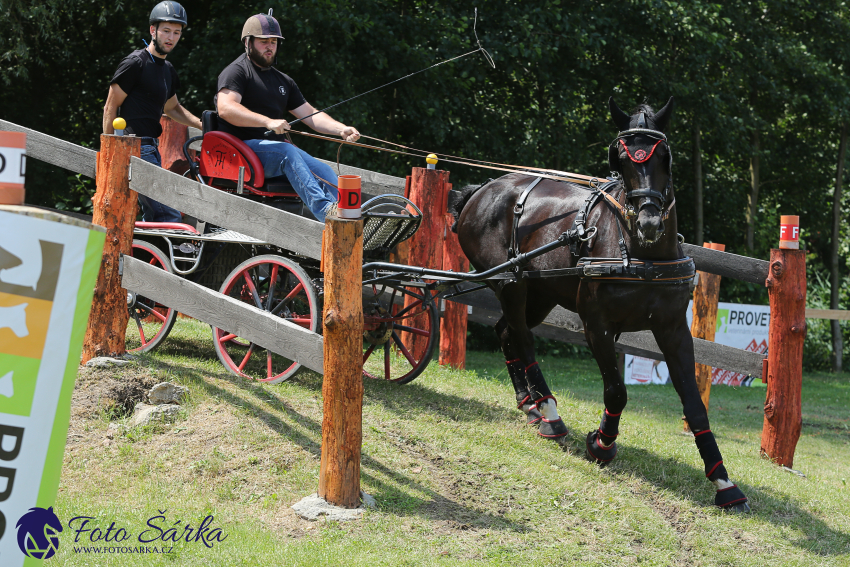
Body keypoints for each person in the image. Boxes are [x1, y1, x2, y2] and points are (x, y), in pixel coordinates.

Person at [215, 11, 360, 222]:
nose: (269, 46)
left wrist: (340, 129)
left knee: (323, 170)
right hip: (241, 150)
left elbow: (309, 114)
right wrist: (267, 121)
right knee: (286, 151)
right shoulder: (237, 72)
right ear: (248, 42)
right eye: (263, 41)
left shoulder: (283, 81)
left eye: (273, 42)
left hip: (274, 152)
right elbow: (225, 108)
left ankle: (351, 215)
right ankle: (328, 213)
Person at [102, 1, 202, 223]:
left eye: (176, 32)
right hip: (133, 146)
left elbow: (172, 108)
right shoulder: (135, 63)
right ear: (152, 30)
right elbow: (111, 105)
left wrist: (202, 125)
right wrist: (110, 149)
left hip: (151, 148)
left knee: (154, 215)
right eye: (166, 30)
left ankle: (147, 256)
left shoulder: (167, 70)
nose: (171, 37)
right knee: (167, 214)